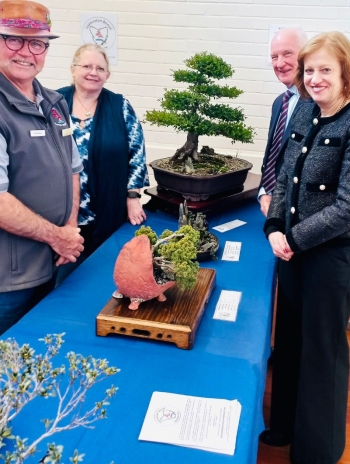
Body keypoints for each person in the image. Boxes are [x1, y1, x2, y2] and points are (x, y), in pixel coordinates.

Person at [260, 31, 350, 464]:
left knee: (323, 353)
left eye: (325, 70)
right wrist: (275, 224)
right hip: (290, 249)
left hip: (330, 257)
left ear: (344, 73)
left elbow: (347, 209)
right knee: (290, 342)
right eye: (309, 70)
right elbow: (282, 175)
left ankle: (318, 452)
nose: (314, 79)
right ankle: (282, 428)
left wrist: (292, 238)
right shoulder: (304, 111)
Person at [0, 0, 84, 334]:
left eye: (37, 43)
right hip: (9, 280)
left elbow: (73, 169)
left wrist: (71, 228)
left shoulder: (54, 102)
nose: (26, 52)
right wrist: (59, 237)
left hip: (51, 261)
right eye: (13, 39)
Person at [56, 43, 149, 276]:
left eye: (100, 68)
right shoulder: (52, 104)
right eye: (87, 66)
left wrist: (133, 196)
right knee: (65, 283)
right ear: (73, 69)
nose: (93, 73)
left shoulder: (120, 106)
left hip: (110, 208)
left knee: (107, 275)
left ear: (107, 75)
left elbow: (136, 153)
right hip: (62, 213)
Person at [259, 27, 308, 216]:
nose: (279, 63)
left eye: (287, 53)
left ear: (305, 55)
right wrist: (264, 192)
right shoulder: (279, 102)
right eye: (274, 57)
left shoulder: (320, 105)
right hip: (270, 211)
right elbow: (272, 157)